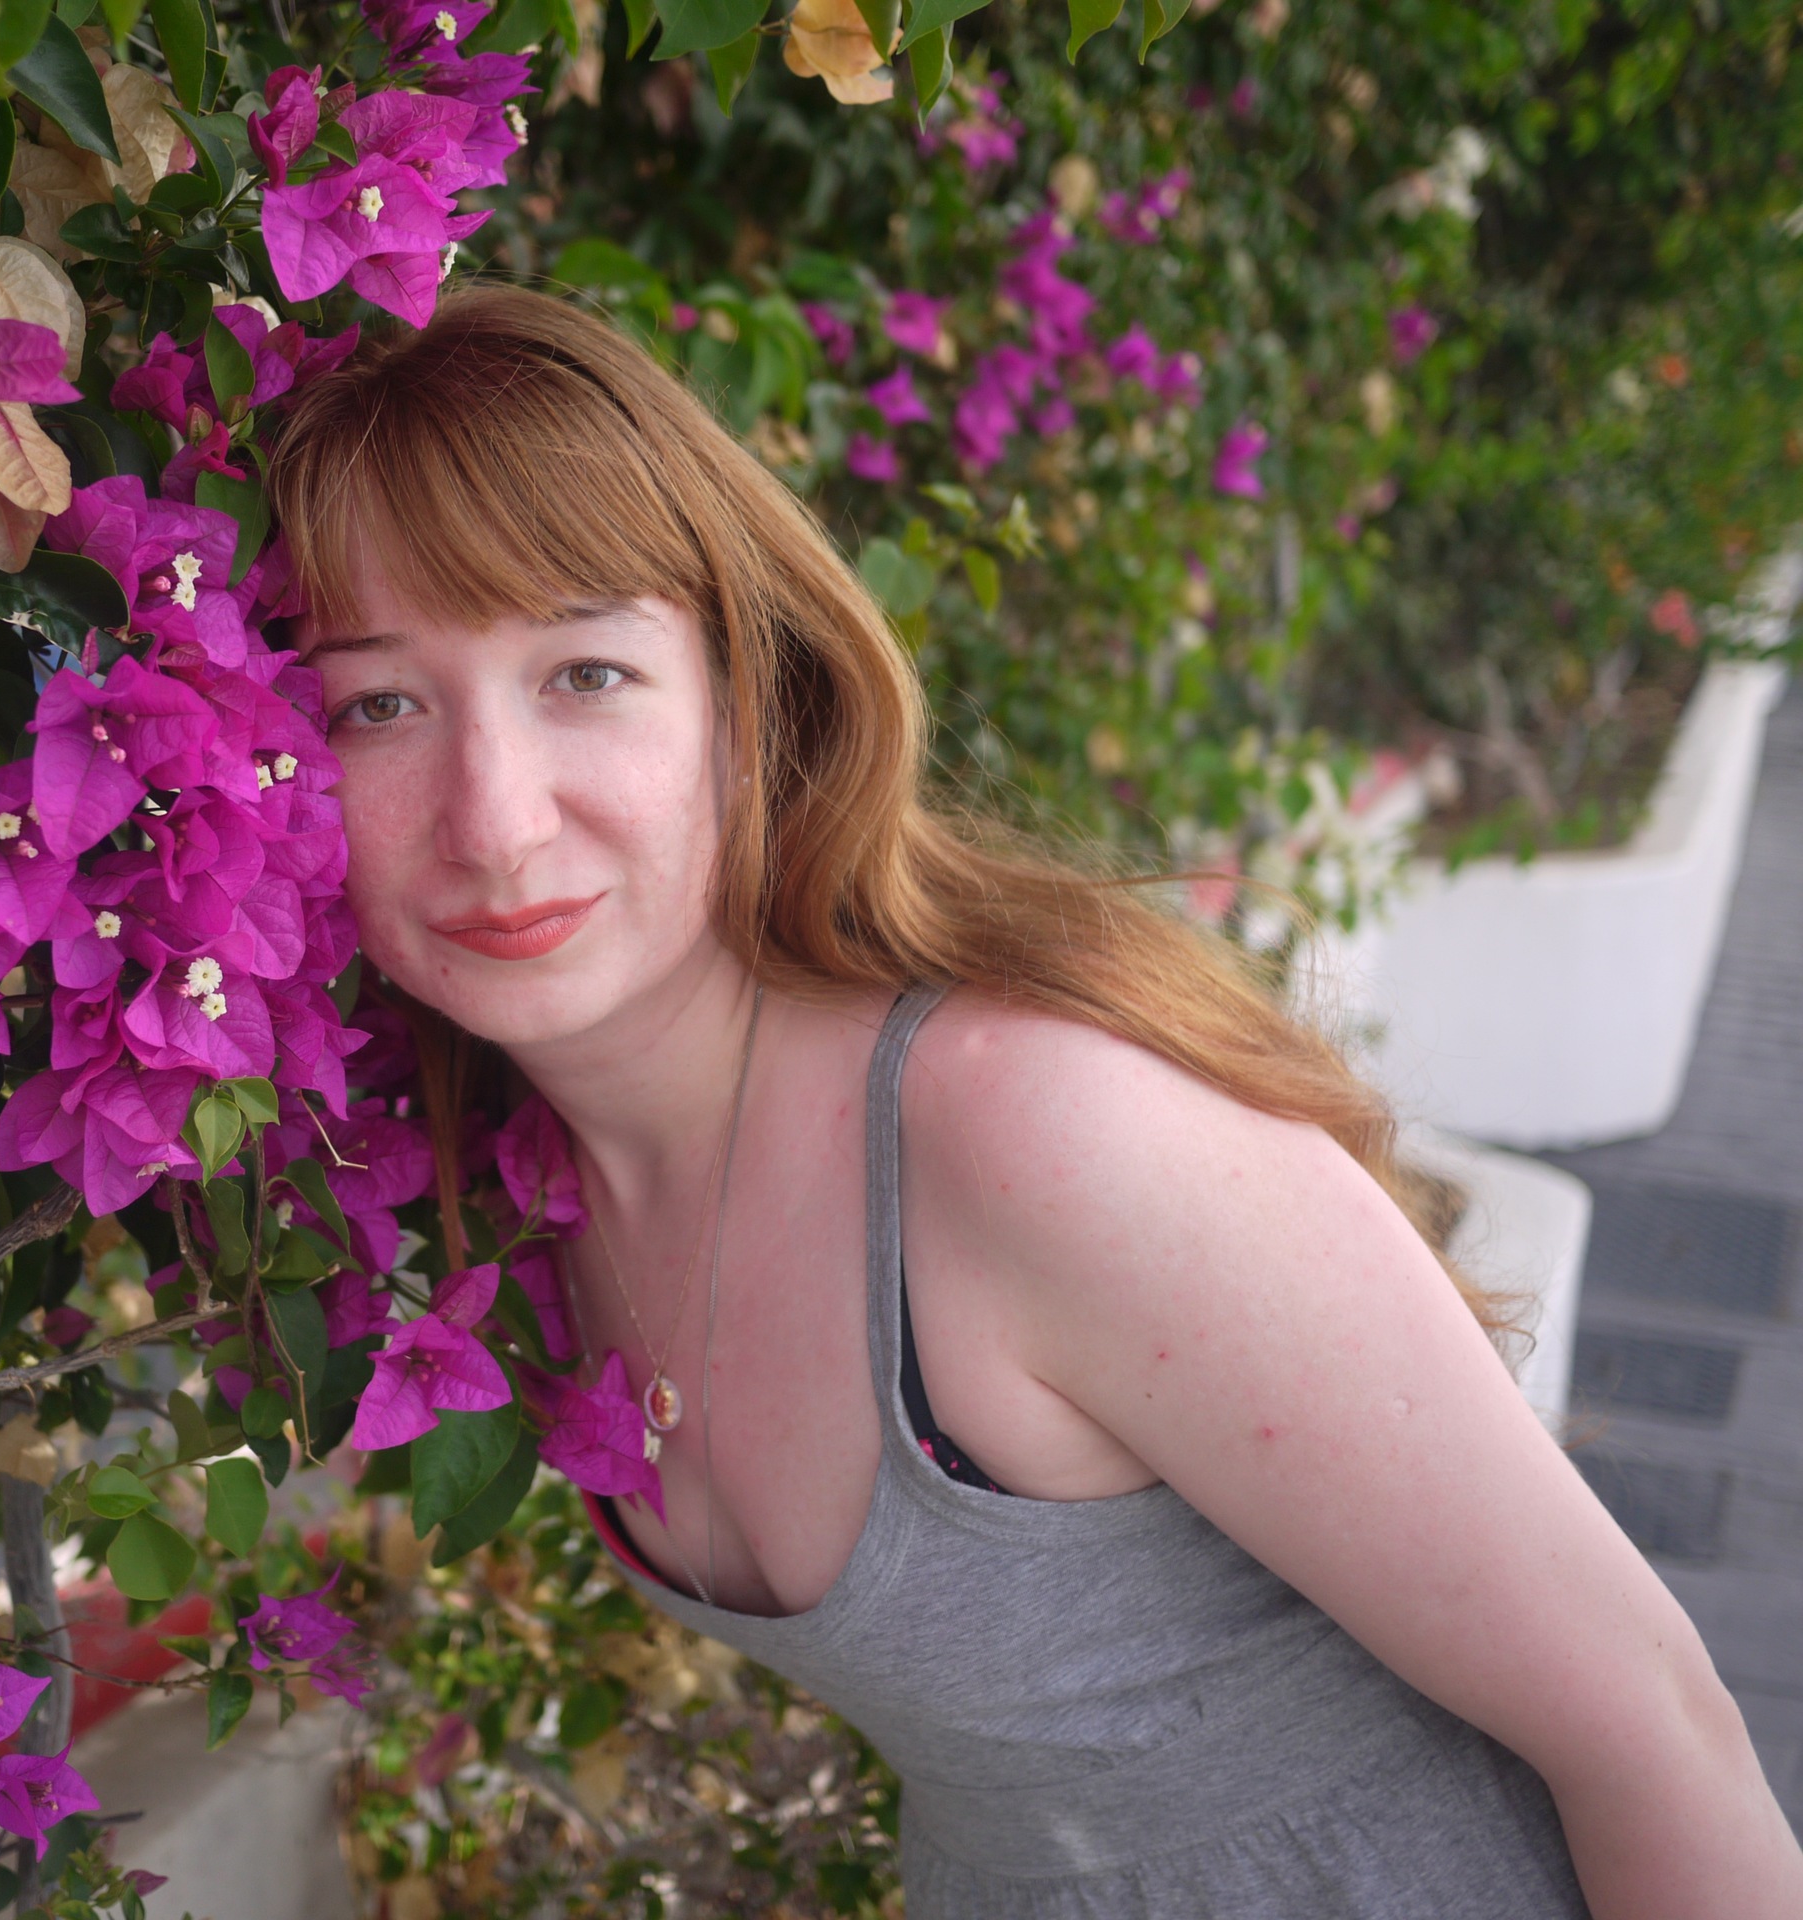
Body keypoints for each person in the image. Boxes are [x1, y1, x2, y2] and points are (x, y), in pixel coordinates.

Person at [262, 286, 1803, 1918]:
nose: (496, 822)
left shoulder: (1027, 1132)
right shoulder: (515, 1198)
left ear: (747, 703)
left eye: (585, 673)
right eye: (378, 706)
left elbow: (1660, 1739)